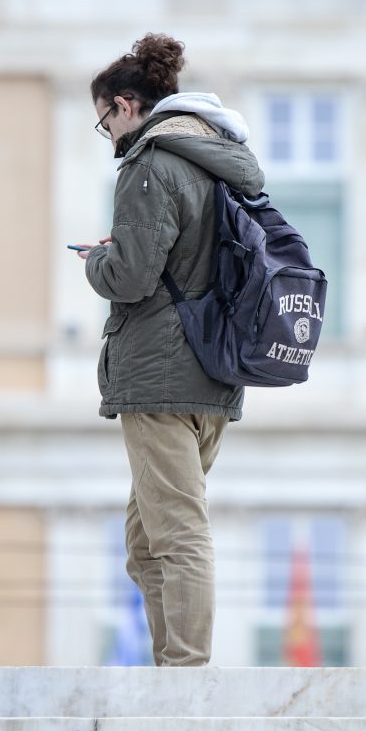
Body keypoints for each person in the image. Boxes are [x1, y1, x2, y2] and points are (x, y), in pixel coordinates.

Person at [74, 33, 265, 667]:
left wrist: (99, 261)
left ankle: (184, 674)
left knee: (177, 532)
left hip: (161, 376)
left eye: (105, 122)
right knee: (143, 540)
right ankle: (171, 662)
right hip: (214, 373)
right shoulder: (216, 157)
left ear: (126, 106)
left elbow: (130, 279)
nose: (109, 136)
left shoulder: (151, 163)